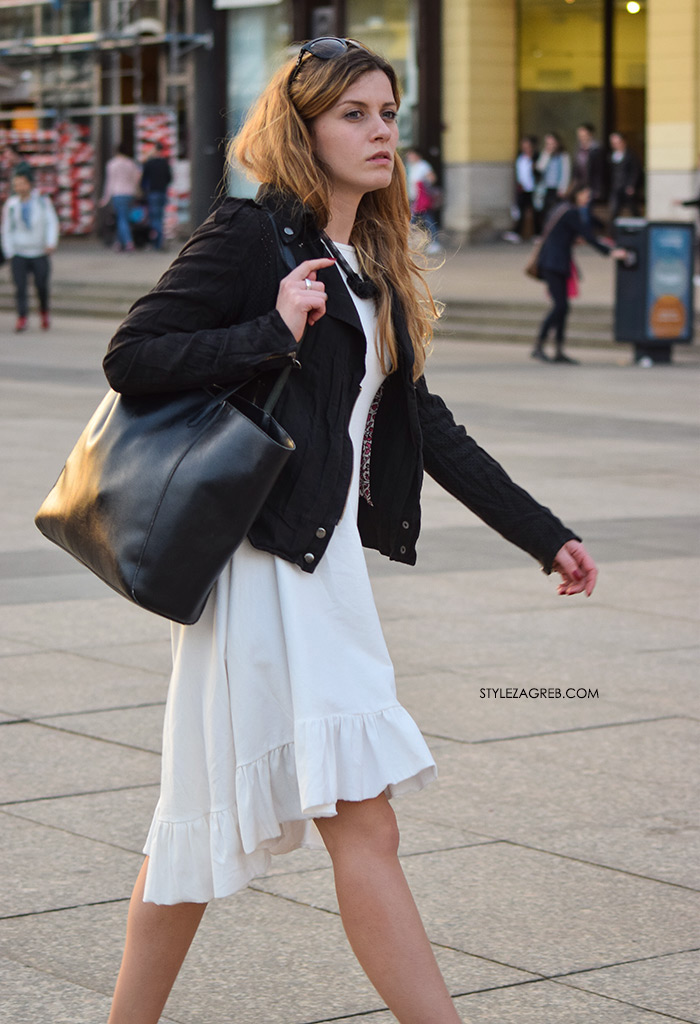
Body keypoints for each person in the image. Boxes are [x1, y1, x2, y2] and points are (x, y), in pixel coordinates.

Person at [102, 38, 598, 1024]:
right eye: (355, 114)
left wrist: (543, 534)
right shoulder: (251, 237)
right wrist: (269, 333)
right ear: (305, 129)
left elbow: (423, 421)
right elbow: (133, 354)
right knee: (351, 827)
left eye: (387, 113)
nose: (380, 132)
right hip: (257, 572)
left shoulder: (372, 260)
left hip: (317, 572)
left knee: (209, 833)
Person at [532, 187, 627, 364]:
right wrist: (610, 252)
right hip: (554, 264)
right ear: (576, 194)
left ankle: (558, 350)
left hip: (553, 262)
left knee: (563, 307)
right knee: (560, 306)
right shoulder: (571, 213)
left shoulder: (560, 209)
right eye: (585, 195)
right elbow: (589, 237)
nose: (588, 199)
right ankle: (539, 346)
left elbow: (559, 233)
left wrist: (571, 239)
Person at [1, 165, 59, 331]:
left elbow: (51, 222)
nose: (19, 187)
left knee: (41, 284)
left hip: (39, 251)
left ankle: (44, 311)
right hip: (19, 251)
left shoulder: (42, 201)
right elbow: (7, 228)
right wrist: (9, 250)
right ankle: (22, 317)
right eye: (16, 184)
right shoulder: (11, 205)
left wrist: (50, 242)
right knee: (20, 286)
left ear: (30, 184)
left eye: (22, 183)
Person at [100, 143, 142, 252]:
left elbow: (109, 182)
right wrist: (137, 192)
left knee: (121, 219)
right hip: (129, 193)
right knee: (123, 219)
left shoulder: (112, 164)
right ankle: (119, 243)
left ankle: (128, 242)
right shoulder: (131, 163)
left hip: (117, 193)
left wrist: (105, 198)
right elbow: (135, 179)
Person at [404, 146, 441, 253]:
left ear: (417, 155)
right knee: (420, 220)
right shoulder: (411, 166)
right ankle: (409, 242)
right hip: (414, 199)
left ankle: (435, 242)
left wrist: (424, 185)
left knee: (424, 220)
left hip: (421, 200)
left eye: (411, 154)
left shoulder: (423, 165)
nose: (409, 156)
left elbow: (432, 178)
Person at [503, 134, 539, 242]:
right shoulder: (521, 158)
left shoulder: (536, 158)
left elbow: (539, 173)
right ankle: (517, 233)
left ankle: (537, 233)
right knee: (521, 212)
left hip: (534, 189)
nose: (526, 148)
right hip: (523, 188)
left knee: (536, 212)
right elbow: (519, 174)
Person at [140, 141, 172, 250]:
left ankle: (157, 242)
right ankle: (160, 241)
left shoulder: (149, 163)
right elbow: (169, 178)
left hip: (152, 193)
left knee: (154, 218)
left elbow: (143, 180)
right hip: (162, 192)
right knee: (160, 217)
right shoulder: (164, 163)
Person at [534, 131, 571, 226]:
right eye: (548, 144)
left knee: (556, 211)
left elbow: (565, 173)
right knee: (544, 211)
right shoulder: (545, 155)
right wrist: (547, 154)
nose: (551, 146)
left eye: (552, 143)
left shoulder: (563, 156)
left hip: (557, 188)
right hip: (545, 188)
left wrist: (563, 188)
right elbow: (540, 168)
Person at [608, 131, 642, 223]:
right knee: (614, 211)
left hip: (627, 187)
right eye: (613, 143)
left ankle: (639, 230)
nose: (615, 145)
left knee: (633, 209)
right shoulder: (612, 156)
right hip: (616, 187)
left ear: (623, 142)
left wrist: (631, 185)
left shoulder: (631, 155)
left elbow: (635, 171)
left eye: (617, 143)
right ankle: (613, 234)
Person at [570, 123, 605, 211]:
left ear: (590, 135)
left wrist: (597, 189)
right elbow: (576, 169)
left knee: (585, 211)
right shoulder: (578, 149)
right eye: (580, 135)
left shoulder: (597, 150)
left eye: (584, 135)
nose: (581, 138)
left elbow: (600, 171)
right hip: (579, 186)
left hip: (591, 186)